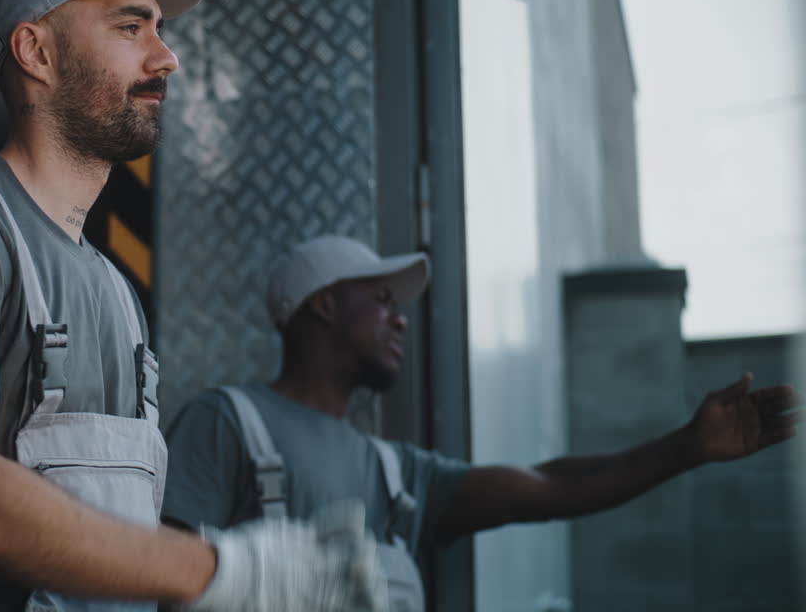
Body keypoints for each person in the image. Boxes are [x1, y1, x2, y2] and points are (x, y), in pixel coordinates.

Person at [0, 0, 387, 612]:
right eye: (131, 26)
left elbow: (115, 529)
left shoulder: (115, 290)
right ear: (35, 52)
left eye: (159, 30)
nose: (167, 59)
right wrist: (224, 569)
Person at [161, 234, 804, 612]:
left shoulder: (395, 471)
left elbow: (547, 488)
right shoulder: (227, 423)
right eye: (382, 299)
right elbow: (155, 580)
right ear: (324, 305)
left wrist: (687, 447)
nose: (401, 318)